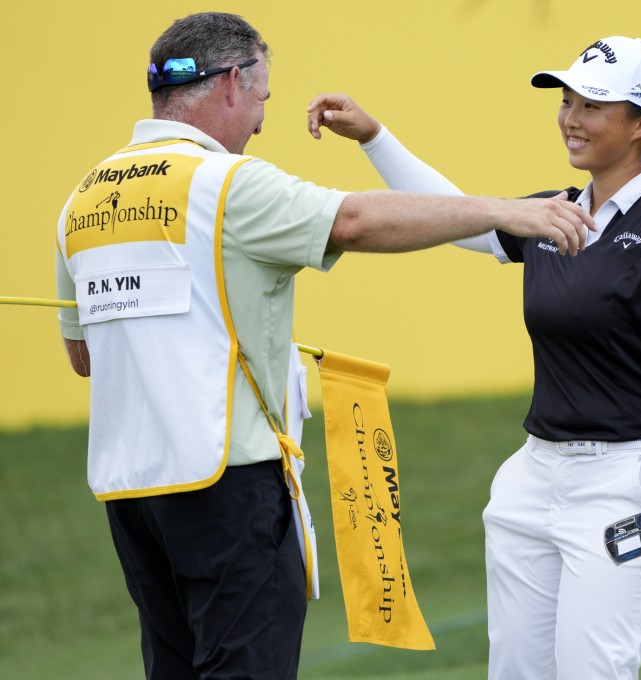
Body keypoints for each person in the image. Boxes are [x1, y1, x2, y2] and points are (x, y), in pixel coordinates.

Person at [54, 12, 593, 680]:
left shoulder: (81, 202)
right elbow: (355, 221)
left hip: (129, 494)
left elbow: (84, 357)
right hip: (227, 480)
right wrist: (506, 211)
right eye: (262, 98)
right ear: (231, 83)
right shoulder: (226, 182)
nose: (259, 122)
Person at [308, 35, 641, 679]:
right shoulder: (554, 213)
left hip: (633, 478)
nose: (570, 119)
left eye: (592, 105)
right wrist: (374, 138)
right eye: (567, 102)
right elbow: (457, 218)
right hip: (535, 475)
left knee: (592, 670)